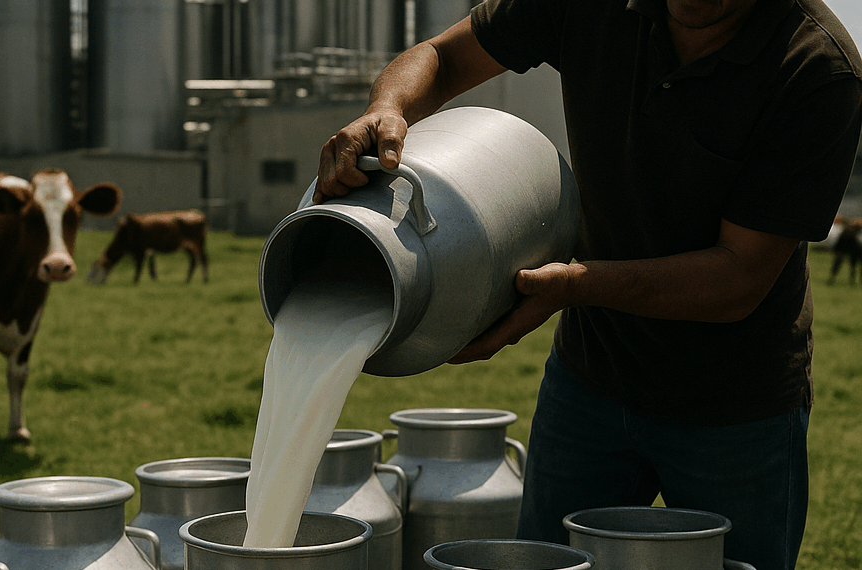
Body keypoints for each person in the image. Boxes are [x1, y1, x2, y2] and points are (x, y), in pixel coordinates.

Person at [314, 0, 862, 569]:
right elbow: (444, 57)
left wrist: (574, 285)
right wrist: (388, 107)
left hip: (735, 407)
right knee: (547, 560)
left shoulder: (816, 68)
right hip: (592, 380)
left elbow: (738, 277)